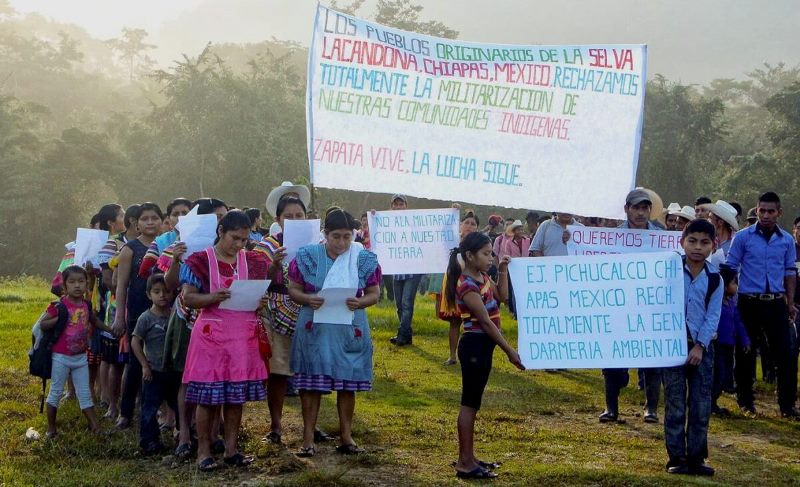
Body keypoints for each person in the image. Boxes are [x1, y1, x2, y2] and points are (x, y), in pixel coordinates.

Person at [180, 210, 270, 471]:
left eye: (244, 240)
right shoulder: (199, 261)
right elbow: (188, 298)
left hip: (242, 336)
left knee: (235, 397)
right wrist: (212, 298)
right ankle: (203, 452)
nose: (239, 245)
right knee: (207, 396)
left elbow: (257, 297)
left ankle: (231, 449)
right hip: (211, 336)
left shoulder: (252, 262)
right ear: (221, 231)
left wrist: (260, 302)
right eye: (235, 238)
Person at [288, 209, 381, 458]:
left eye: (347, 237)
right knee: (311, 383)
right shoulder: (307, 256)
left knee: (347, 383)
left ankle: (346, 436)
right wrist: (307, 298)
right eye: (336, 237)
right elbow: (293, 288)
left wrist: (360, 302)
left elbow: (374, 293)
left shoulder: (362, 258)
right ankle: (308, 438)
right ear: (325, 234)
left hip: (350, 326)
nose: (341, 243)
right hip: (315, 326)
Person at [255, 196, 334, 445]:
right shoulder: (268, 244)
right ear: (278, 219)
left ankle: (310, 425)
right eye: (288, 216)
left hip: (310, 308)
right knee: (278, 371)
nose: (295, 220)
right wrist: (274, 264)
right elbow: (257, 278)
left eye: (299, 215)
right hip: (276, 309)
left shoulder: (319, 244)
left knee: (309, 371)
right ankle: (276, 425)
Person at [446, 232, 524, 480]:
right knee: (469, 404)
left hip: (483, 347)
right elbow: (487, 323)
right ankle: (464, 462)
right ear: (470, 256)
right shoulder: (467, 285)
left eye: (491, 253)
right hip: (474, 347)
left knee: (474, 403)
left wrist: (502, 270)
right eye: (486, 254)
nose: (490, 258)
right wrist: (510, 351)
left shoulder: (483, 277)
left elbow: (503, 297)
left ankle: (469, 457)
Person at [724, 191, 798, 418]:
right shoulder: (743, 237)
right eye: (762, 211)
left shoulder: (786, 240)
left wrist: (790, 302)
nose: (765, 215)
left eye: (770, 211)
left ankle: (787, 405)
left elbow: (790, 272)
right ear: (756, 210)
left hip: (776, 302)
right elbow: (730, 267)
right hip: (749, 302)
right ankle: (745, 402)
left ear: (779, 213)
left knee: (785, 354)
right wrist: (729, 296)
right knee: (745, 352)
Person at [663, 218, 723, 476]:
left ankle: (697, 458)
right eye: (692, 241)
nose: (698, 247)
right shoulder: (668, 271)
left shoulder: (715, 279)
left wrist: (700, 346)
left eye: (704, 242)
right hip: (672, 347)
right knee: (675, 403)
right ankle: (676, 457)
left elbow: (713, 316)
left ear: (713, 245)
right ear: (682, 242)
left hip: (702, 350)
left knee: (700, 405)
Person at [600, 189, 662, 423]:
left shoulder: (661, 237)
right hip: (619, 306)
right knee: (613, 358)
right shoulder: (612, 237)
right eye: (636, 208)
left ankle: (651, 408)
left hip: (650, 306)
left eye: (645, 208)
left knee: (652, 359)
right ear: (627, 209)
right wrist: (573, 240)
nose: (640, 213)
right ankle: (611, 407)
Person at [41, 265, 116, 438]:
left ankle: (95, 427)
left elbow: (94, 321)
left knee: (84, 393)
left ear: (87, 284)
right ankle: (51, 428)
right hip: (61, 357)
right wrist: (59, 319)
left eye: (81, 281)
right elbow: (43, 324)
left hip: (81, 357)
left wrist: (110, 329)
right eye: (72, 282)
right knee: (55, 392)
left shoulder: (87, 305)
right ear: (64, 286)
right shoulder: (59, 306)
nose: (77, 285)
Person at [112, 202, 164, 430]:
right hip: (137, 311)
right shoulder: (130, 249)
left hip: (164, 311)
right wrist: (119, 317)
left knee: (161, 362)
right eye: (145, 218)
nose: (150, 222)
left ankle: (159, 411)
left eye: (154, 218)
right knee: (135, 364)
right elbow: (121, 285)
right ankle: (125, 413)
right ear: (137, 223)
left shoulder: (168, 245)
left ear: (162, 221)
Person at [96, 203, 140, 420]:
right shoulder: (113, 243)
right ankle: (113, 405)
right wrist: (124, 296)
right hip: (117, 307)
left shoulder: (153, 243)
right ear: (134, 221)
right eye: (144, 219)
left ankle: (132, 403)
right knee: (115, 360)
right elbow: (107, 279)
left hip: (141, 305)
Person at [131, 274, 180, 455]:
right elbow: (135, 342)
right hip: (153, 371)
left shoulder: (176, 315)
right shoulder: (146, 318)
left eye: (166, 291)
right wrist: (144, 365)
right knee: (150, 408)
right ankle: (149, 441)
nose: (162, 296)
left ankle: (183, 435)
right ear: (148, 294)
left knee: (180, 404)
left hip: (174, 370)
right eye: (157, 292)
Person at [429, 211, 480, 365]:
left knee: (476, 322)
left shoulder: (479, 244)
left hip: (473, 286)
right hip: (453, 285)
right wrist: (452, 213)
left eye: (473, 224)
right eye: (466, 223)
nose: (469, 226)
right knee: (455, 321)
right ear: (460, 225)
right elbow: (443, 231)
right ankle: (452, 356)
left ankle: (474, 355)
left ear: (477, 228)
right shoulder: (452, 240)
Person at [712, 268, 750, 415]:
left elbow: (738, 324)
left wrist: (745, 340)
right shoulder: (716, 305)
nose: (736, 286)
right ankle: (710, 403)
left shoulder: (731, 304)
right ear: (725, 284)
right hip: (717, 345)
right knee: (717, 375)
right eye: (734, 283)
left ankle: (714, 401)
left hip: (729, 345)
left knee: (725, 374)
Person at [388, 194, 421, 346]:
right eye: (395, 204)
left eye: (401, 204)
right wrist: (374, 216)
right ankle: (407, 334)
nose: (398, 207)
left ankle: (402, 334)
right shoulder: (387, 223)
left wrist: (452, 211)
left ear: (406, 206)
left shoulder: (414, 221)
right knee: (399, 305)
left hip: (413, 269)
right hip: (397, 268)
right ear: (391, 206)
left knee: (407, 302)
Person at [493, 220, 530, 318]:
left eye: (521, 229)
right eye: (518, 229)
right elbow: (507, 255)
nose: (520, 231)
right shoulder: (508, 242)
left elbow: (530, 253)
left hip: (526, 270)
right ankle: (515, 312)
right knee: (514, 290)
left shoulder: (528, 241)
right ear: (514, 231)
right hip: (514, 270)